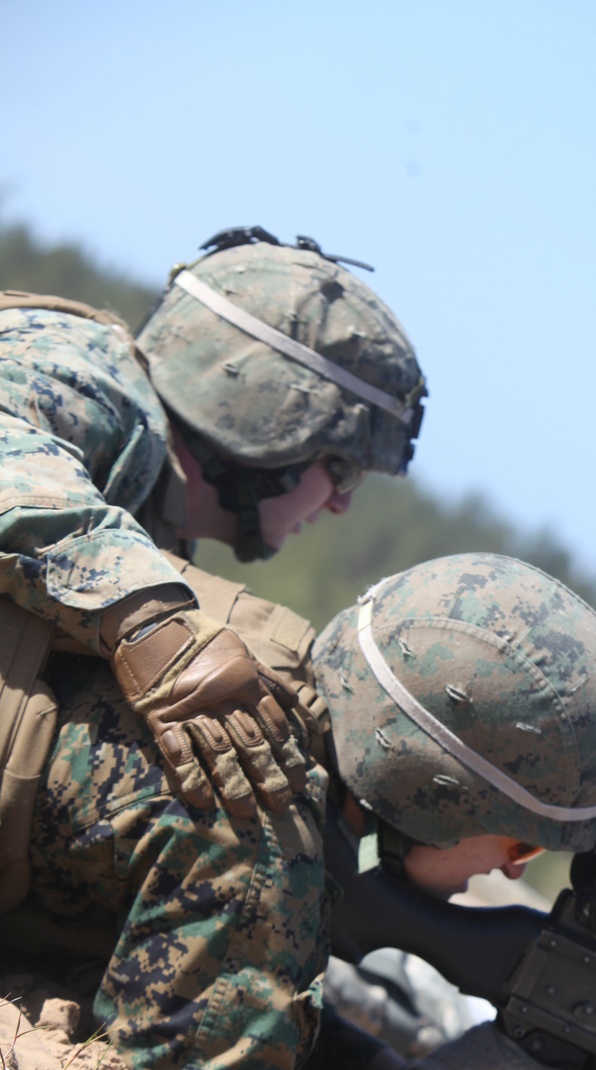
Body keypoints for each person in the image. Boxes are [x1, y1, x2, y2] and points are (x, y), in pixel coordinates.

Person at [11, 551, 596, 1070]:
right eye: (521, 844)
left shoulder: (268, 663)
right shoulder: (258, 827)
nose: (514, 871)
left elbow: (228, 978)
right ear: (437, 799)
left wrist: (372, 1064)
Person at [0, 225, 426, 835]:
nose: (339, 507)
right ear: (269, 422)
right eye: (344, 470)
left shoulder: (149, 502)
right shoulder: (89, 380)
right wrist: (149, 623)